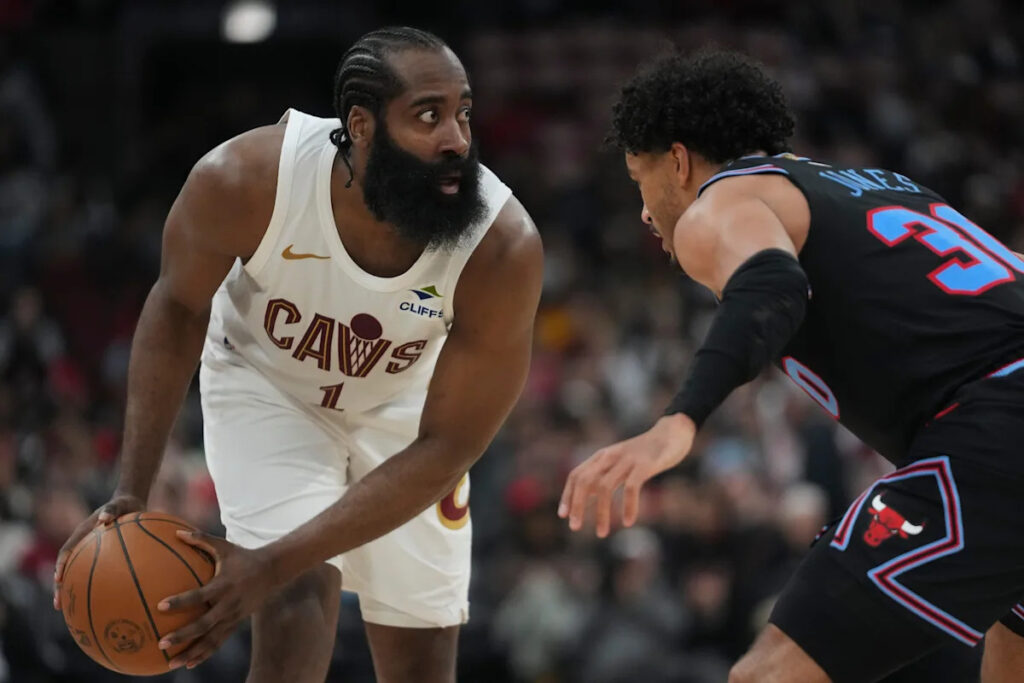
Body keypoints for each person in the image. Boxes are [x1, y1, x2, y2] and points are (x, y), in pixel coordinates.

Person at [53, 26, 543, 683]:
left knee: (422, 655)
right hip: (268, 385)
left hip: (410, 416)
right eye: (428, 115)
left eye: (463, 112)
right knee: (295, 600)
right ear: (362, 126)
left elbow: (450, 444)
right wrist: (131, 489)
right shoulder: (246, 180)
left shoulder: (501, 246)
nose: (457, 137)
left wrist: (269, 560)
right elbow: (176, 310)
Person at [559, 49, 1024, 683]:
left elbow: (774, 282)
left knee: (768, 675)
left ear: (677, 160)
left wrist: (679, 421)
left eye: (639, 179)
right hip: (1000, 433)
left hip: (998, 421)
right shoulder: (884, 184)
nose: (644, 212)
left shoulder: (718, 203)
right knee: (1011, 642)